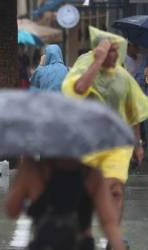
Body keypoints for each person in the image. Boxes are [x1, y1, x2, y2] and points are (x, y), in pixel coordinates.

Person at [62, 26, 148, 249]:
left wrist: (137, 142)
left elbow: (132, 106)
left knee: (116, 190)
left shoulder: (120, 73)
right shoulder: (84, 64)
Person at [5, 157, 126, 250]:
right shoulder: (92, 174)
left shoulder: (32, 170)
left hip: (45, 244)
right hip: (81, 244)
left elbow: (12, 210)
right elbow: (109, 223)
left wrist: (22, 171)